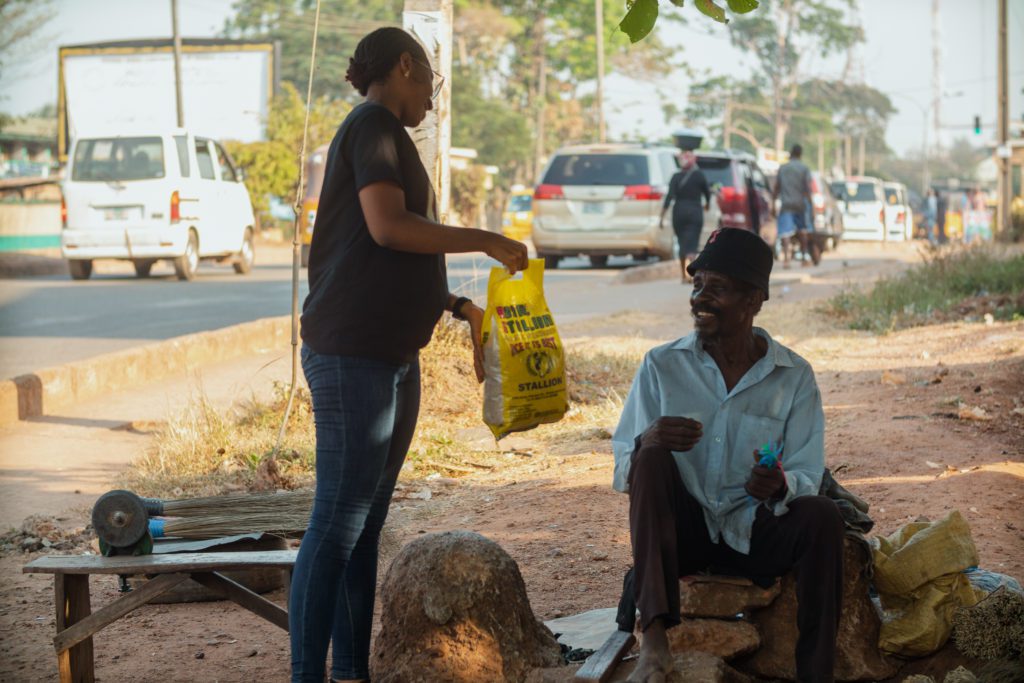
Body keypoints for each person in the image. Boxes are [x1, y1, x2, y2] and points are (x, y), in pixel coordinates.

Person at [291, 27, 528, 683]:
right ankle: (309, 673)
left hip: (391, 354)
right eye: (431, 81)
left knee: (363, 526)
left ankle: (349, 672)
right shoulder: (372, 126)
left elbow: (384, 260)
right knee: (336, 522)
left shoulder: (388, 137)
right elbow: (388, 227)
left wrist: (458, 307)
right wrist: (488, 238)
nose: (431, 97)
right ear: (404, 66)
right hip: (351, 354)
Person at [611, 227, 845, 683]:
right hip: (683, 539)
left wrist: (779, 484)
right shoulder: (661, 365)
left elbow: (806, 471)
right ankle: (655, 646)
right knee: (650, 455)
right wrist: (648, 440)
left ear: (754, 300)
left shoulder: (793, 376)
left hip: (754, 533)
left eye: (717, 288)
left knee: (822, 516)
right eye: (697, 285)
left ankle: (816, 672)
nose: (701, 297)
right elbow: (624, 471)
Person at [661, 150, 710, 283]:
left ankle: (683, 275)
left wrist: (661, 216)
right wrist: (707, 205)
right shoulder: (699, 175)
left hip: (679, 212)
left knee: (682, 241)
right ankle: (692, 274)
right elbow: (707, 193)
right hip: (695, 211)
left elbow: (669, 197)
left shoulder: (675, 176)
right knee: (692, 243)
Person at [772, 144, 813, 269]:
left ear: (791, 153)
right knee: (803, 230)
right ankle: (805, 256)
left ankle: (786, 260)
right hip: (800, 204)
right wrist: (811, 205)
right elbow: (807, 189)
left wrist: (773, 203)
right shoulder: (804, 168)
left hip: (786, 204)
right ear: (800, 154)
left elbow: (777, 187)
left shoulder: (783, 168)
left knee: (785, 232)